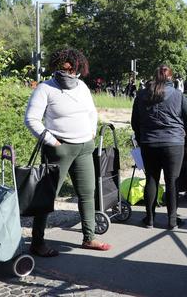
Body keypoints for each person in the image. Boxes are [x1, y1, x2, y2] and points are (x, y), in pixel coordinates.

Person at [24, 48, 111, 257]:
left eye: (72, 68)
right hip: (59, 150)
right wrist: (52, 141)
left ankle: (89, 237)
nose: (68, 72)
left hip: (84, 148)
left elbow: (91, 113)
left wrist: (90, 133)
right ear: (57, 67)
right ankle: (37, 242)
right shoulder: (45, 88)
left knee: (87, 193)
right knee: (47, 197)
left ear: (78, 68)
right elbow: (31, 119)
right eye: (64, 68)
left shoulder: (82, 86)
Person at [131, 65, 187, 230]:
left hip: (149, 143)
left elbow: (134, 121)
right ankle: (172, 221)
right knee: (172, 181)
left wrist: (140, 138)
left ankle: (149, 219)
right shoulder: (178, 96)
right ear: (171, 78)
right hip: (174, 143)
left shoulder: (142, 95)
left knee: (152, 179)